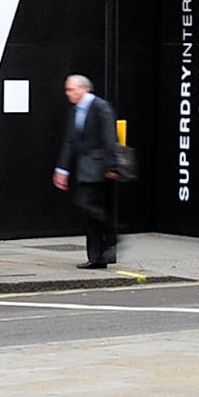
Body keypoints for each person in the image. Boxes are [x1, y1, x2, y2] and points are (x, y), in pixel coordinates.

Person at [54, 74, 120, 269]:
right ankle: (96, 257)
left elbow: (110, 138)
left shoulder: (101, 107)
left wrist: (111, 166)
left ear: (84, 89)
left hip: (100, 168)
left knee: (86, 204)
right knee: (88, 216)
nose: (68, 94)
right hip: (84, 169)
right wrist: (62, 169)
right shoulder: (75, 110)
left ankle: (113, 234)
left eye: (71, 89)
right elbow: (70, 141)